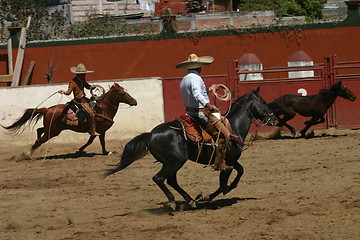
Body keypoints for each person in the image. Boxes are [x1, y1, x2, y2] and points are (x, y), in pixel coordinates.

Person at [176, 53, 232, 171]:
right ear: (199, 67)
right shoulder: (196, 78)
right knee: (224, 134)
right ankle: (219, 163)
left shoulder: (185, 78)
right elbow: (196, 94)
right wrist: (208, 105)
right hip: (199, 112)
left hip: (188, 112)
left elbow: (195, 93)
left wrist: (209, 89)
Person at [58, 63, 97, 136]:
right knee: (91, 114)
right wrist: (64, 92)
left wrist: (91, 87)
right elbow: (68, 92)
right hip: (79, 101)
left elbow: (87, 86)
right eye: (83, 73)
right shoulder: (73, 82)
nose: (85, 74)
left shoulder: (82, 79)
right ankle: (92, 130)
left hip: (84, 99)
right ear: (79, 74)